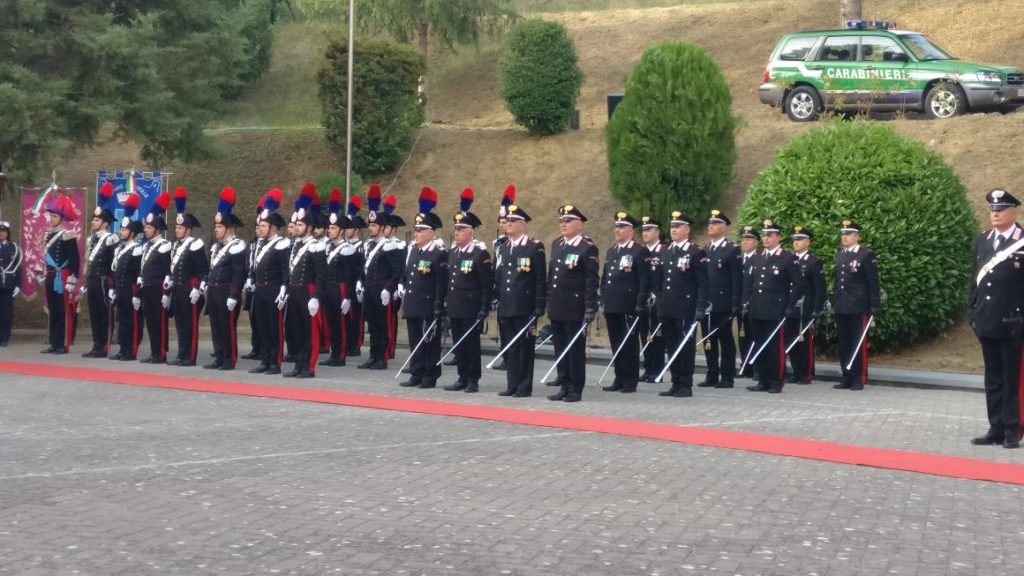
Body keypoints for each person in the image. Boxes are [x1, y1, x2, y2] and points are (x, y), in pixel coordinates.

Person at [970, 188, 1024, 449]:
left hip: (1013, 323)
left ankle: (1013, 429)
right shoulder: (983, 240)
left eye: (1001, 209)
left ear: (1014, 212)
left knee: (1012, 377)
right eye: (993, 209)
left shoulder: (1022, 241)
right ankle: (996, 426)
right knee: (992, 378)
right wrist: (972, 312)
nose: (995, 214)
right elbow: (975, 280)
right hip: (986, 320)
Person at [651, 211, 708, 398]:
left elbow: (702, 283)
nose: (673, 230)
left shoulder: (695, 252)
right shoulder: (665, 251)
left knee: (685, 347)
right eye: (672, 226)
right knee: (671, 345)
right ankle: (675, 382)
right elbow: (659, 282)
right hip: (667, 307)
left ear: (687, 229)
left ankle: (685, 384)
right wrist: (659, 302)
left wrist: (700, 307)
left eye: (678, 227)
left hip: (685, 308)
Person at [546, 204, 599, 403]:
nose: (563, 224)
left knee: (574, 350)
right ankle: (564, 384)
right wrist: (548, 299)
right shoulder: (557, 244)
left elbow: (591, 279)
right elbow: (552, 276)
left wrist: (590, 306)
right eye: (561, 221)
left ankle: (576, 388)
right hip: (558, 305)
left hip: (575, 307)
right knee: (560, 347)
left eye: (568, 221)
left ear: (579, 224)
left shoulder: (587, 247)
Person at [744, 219, 803, 394]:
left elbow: (798, 285)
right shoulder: (758, 257)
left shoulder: (787, 258)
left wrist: (789, 306)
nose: (766, 238)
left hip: (776, 310)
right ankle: (762, 379)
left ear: (779, 237)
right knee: (759, 344)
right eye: (764, 235)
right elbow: (751, 283)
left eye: (770, 235)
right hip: (757, 308)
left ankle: (776, 380)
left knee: (774, 347)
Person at [443, 188, 493, 393]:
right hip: (455, 306)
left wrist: (484, 307)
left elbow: (486, 284)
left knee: (471, 345)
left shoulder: (479, 253)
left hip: (471, 307)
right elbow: (450, 280)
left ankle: (473, 378)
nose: (456, 233)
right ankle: (462, 376)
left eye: (461, 229)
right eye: (455, 229)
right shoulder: (453, 253)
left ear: (471, 231)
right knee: (458, 344)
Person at [398, 187, 449, 388]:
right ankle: (416, 372)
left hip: (428, 305)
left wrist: (439, 304)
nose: (417, 233)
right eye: (416, 230)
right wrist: (402, 285)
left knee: (429, 342)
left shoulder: (438, 253)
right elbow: (408, 273)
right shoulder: (414, 252)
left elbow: (441, 282)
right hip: (412, 303)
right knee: (415, 340)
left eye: (420, 230)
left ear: (431, 232)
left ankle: (430, 375)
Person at [495, 202, 546, 398]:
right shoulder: (505, 247)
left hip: (525, 306)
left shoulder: (533, 247)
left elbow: (540, 278)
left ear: (523, 224)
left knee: (525, 348)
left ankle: (524, 386)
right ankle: (512, 384)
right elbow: (502, 277)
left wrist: (539, 305)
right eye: (507, 220)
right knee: (511, 347)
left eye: (513, 221)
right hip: (507, 304)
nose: (508, 223)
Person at [600, 211, 651, 393]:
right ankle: (619, 377)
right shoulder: (613, 251)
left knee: (629, 343)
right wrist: (603, 296)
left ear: (630, 230)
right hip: (612, 303)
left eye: (622, 227)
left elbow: (645, 279)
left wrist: (640, 302)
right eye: (616, 226)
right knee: (616, 343)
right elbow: (606, 277)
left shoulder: (639, 251)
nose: (618, 230)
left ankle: (630, 379)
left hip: (629, 304)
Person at [357, 185, 403, 370]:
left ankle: (382, 358)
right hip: (369, 289)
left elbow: (397, 270)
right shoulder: (368, 245)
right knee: (373, 325)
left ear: (383, 227)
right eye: (370, 225)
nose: (371, 228)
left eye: (374, 225)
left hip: (382, 289)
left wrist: (389, 287)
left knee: (383, 326)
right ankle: (372, 356)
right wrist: (360, 282)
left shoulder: (389, 246)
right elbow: (363, 268)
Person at [244, 189, 289, 374]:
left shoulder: (281, 244)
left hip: (274, 290)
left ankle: (275, 362)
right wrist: (251, 280)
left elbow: (286, 271)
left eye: (264, 226)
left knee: (274, 328)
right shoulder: (260, 244)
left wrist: (284, 289)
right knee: (262, 327)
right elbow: (255, 267)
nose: (260, 228)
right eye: (260, 225)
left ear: (273, 227)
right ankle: (265, 360)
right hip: (260, 290)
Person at [202, 188, 247, 371]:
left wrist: (234, 295)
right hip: (214, 291)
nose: (216, 229)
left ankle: (229, 359)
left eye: (220, 227)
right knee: (216, 327)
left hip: (227, 292)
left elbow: (238, 273)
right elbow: (212, 268)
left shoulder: (237, 246)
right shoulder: (216, 246)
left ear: (229, 229)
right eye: (216, 226)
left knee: (227, 328)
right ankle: (219, 356)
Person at [284, 191, 328, 378]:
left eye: (301, 225)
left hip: (308, 291)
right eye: (297, 224)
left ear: (309, 227)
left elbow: (322, 275)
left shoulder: (315, 246)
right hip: (294, 291)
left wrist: (316, 297)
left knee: (310, 332)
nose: (297, 227)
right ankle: (298, 364)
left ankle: (309, 367)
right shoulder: (295, 245)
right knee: (297, 330)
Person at [833, 219, 880, 391]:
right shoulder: (840, 255)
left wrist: (875, 305)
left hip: (859, 306)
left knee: (857, 343)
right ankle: (846, 376)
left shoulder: (865, 255)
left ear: (856, 236)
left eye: (848, 234)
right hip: (842, 305)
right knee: (844, 343)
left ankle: (858, 378)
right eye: (843, 234)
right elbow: (837, 282)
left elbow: (873, 282)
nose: (844, 237)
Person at [699, 209, 743, 389]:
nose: (711, 226)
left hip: (723, 304)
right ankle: (712, 374)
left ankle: (727, 376)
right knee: (708, 341)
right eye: (710, 223)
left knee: (725, 341)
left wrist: (735, 303)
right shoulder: (705, 249)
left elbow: (737, 279)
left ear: (724, 227)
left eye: (716, 223)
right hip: (706, 304)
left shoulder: (731, 250)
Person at [166, 187, 209, 367]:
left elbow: (203, 270)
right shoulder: (176, 246)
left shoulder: (195, 245)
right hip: (178, 290)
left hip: (190, 290)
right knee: (180, 325)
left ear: (188, 230)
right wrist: (169, 278)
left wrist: (198, 289)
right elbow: (173, 267)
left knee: (190, 326)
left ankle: (190, 356)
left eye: (180, 227)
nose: (177, 230)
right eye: (176, 227)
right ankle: (181, 353)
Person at [80, 183, 120, 358]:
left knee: (105, 314)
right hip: (93, 280)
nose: (93, 222)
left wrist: (113, 286)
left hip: (104, 281)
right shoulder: (91, 240)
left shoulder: (111, 239)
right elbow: (88, 261)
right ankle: (96, 344)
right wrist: (85, 282)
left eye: (96, 220)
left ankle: (104, 346)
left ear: (104, 223)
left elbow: (114, 264)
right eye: (93, 219)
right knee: (94, 314)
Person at [786, 225, 826, 384]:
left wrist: (817, 308)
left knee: (805, 343)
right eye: (794, 239)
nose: (796, 242)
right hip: (791, 307)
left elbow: (819, 288)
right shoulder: (789, 260)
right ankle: (796, 371)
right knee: (792, 341)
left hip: (806, 308)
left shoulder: (813, 262)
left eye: (800, 239)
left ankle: (806, 373)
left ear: (808, 242)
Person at [322, 189, 357, 368]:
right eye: (329, 227)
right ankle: (333, 353)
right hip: (329, 288)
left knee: (341, 324)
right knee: (331, 322)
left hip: (341, 289)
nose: (330, 230)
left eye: (334, 228)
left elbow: (351, 275)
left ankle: (340, 355)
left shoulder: (347, 248)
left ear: (341, 231)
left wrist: (349, 297)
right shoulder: (327, 246)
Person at [41, 195, 81, 354]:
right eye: (51, 215)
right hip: (51, 276)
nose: (51, 218)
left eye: (55, 216)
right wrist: (44, 273)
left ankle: (63, 344)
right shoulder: (48, 235)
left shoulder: (68, 234)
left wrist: (72, 280)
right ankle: (54, 342)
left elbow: (74, 260)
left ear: (61, 218)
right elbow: (47, 259)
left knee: (62, 310)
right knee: (53, 310)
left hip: (62, 276)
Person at [138, 192, 173, 363]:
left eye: (149, 228)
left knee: (159, 322)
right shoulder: (146, 245)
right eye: (146, 227)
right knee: (150, 321)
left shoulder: (164, 245)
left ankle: (161, 352)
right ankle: (153, 351)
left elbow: (168, 271)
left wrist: (167, 293)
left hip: (159, 288)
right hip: (147, 287)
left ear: (157, 230)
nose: (146, 230)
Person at [109, 195, 144, 361]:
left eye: (123, 230)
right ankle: (123, 348)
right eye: (121, 229)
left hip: (131, 290)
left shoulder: (137, 249)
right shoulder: (119, 249)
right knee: (122, 320)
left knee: (132, 321)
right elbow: (115, 271)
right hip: (121, 290)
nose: (121, 232)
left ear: (131, 232)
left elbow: (139, 274)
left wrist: (137, 294)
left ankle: (131, 350)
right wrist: (113, 289)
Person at [638, 216, 666, 383]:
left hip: (658, 300)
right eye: (643, 230)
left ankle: (658, 370)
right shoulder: (641, 252)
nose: (645, 233)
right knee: (645, 335)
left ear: (657, 232)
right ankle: (648, 368)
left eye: (649, 230)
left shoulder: (663, 250)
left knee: (658, 336)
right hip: (644, 300)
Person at [344, 195, 366, 359]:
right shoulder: (345, 246)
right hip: (344, 285)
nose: (346, 230)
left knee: (356, 317)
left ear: (357, 230)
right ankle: (346, 344)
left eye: (350, 227)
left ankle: (356, 344)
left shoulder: (362, 247)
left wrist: (359, 283)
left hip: (356, 285)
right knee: (345, 318)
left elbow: (362, 268)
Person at [737, 226, 760, 379]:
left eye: (749, 239)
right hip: (740, 305)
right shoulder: (738, 259)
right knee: (742, 336)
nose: (745, 242)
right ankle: (745, 365)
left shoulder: (758, 259)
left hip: (754, 305)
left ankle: (757, 367)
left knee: (755, 337)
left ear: (756, 243)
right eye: (743, 239)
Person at [0, 220, 23, 347]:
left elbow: (18, 267)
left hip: (8, 285)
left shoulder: (13, 247)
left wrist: (18, 285)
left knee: (6, 313)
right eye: (0, 231)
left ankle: (4, 337)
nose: (1, 234)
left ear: (7, 233)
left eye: (4, 232)